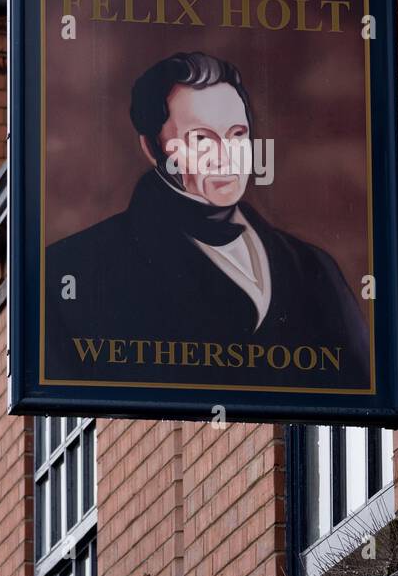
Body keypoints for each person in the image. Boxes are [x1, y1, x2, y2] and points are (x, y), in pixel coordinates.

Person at [44, 51, 369, 387]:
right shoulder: (75, 269)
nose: (224, 156)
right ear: (152, 148)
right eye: (200, 139)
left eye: (237, 134)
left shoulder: (313, 268)